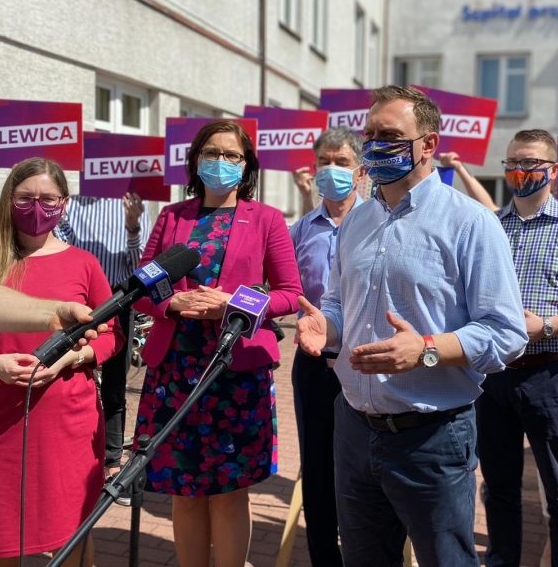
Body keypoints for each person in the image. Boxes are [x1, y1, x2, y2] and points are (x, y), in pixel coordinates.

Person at [296, 85, 528, 567]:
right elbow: (338, 303)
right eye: (370, 135)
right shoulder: (356, 221)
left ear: (428, 144)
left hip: (431, 438)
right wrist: (327, 327)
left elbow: (506, 333)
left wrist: (426, 348)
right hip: (354, 428)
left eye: (390, 135)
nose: (375, 145)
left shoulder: (471, 223)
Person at [0, 157, 119, 567]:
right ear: (8, 200)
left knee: (73, 538)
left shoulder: (85, 263)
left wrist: (72, 356)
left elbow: (111, 335)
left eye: (48, 199)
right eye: (25, 198)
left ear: (64, 203)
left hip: (69, 424)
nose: (37, 207)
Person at [133, 120, 302, 567]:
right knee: (184, 490)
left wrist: (232, 304)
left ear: (246, 166)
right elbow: (142, 286)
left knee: (229, 492)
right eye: (211, 152)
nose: (220, 161)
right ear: (195, 161)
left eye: (231, 155)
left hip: (235, 373)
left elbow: (289, 294)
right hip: (175, 372)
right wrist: (172, 303)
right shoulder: (172, 217)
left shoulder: (266, 219)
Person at [439, 148, 558, 567]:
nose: (519, 171)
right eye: (512, 163)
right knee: (498, 489)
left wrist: (544, 327)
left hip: (550, 375)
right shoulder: (489, 225)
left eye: (530, 163)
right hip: (493, 376)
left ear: (554, 169)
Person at [289, 127, 364, 567]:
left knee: (364, 471)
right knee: (317, 470)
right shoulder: (300, 229)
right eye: (324, 162)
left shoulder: (380, 222)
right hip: (315, 363)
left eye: (341, 162)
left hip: (365, 364)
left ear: (360, 171)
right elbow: (283, 288)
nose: (331, 170)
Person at [55, 192, 151, 495]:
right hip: (78, 300)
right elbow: (61, 249)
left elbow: (138, 266)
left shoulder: (133, 203)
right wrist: (57, 214)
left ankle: (111, 461)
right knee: (70, 377)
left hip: (118, 298)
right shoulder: (71, 203)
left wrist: (133, 226)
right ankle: (74, 455)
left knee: (114, 383)